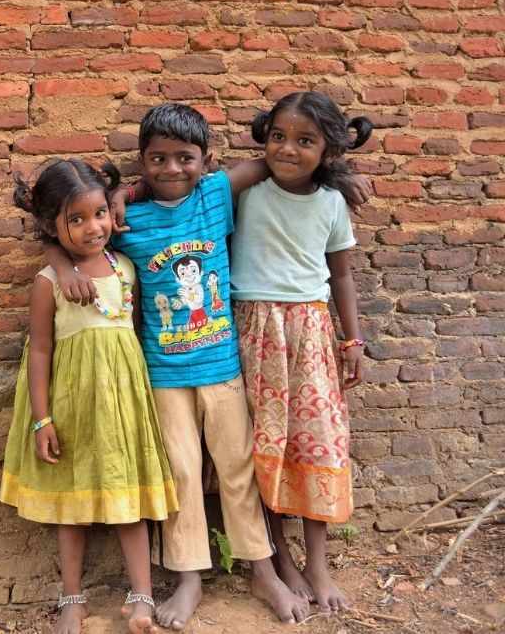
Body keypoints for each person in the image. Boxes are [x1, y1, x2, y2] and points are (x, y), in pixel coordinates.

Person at [50, 104, 370, 629]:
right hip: (163, 374)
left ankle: (261, 568)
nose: (172, 169)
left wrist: (343, 173)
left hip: (222, 365)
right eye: (157, 159)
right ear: (140, 162)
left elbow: (280, 159)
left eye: (185, 159)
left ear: (207, 161)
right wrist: (110, 206)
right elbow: (65, 237)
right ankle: (190, 576)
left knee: (238, 469)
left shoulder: (218, 194)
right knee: (180, 474)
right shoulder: (128, 221)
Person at [0, 158, 180, 634]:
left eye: (98, 213)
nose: (91, 227)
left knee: (129, 498)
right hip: (73, 405)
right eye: (74, 220)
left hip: (123, 404)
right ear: (50, 226)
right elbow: (39, 352)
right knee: (70, 504)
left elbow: (134, 335)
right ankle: (72, 600)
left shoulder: (125, 269)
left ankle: (141, 596)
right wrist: (43, 419)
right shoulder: (48, 283)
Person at [230, 92, 370, 614]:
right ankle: (280, 560)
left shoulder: (332, 203)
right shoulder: (248, 189)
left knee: (314, 447)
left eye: (305, 141)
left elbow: (342, 275)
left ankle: (317, 563)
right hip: (253, 332)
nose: (287, 149)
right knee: (263, 446)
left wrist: (351, 340)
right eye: (278, 137)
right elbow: (201, 188)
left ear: (328, 149)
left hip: (309, 333)